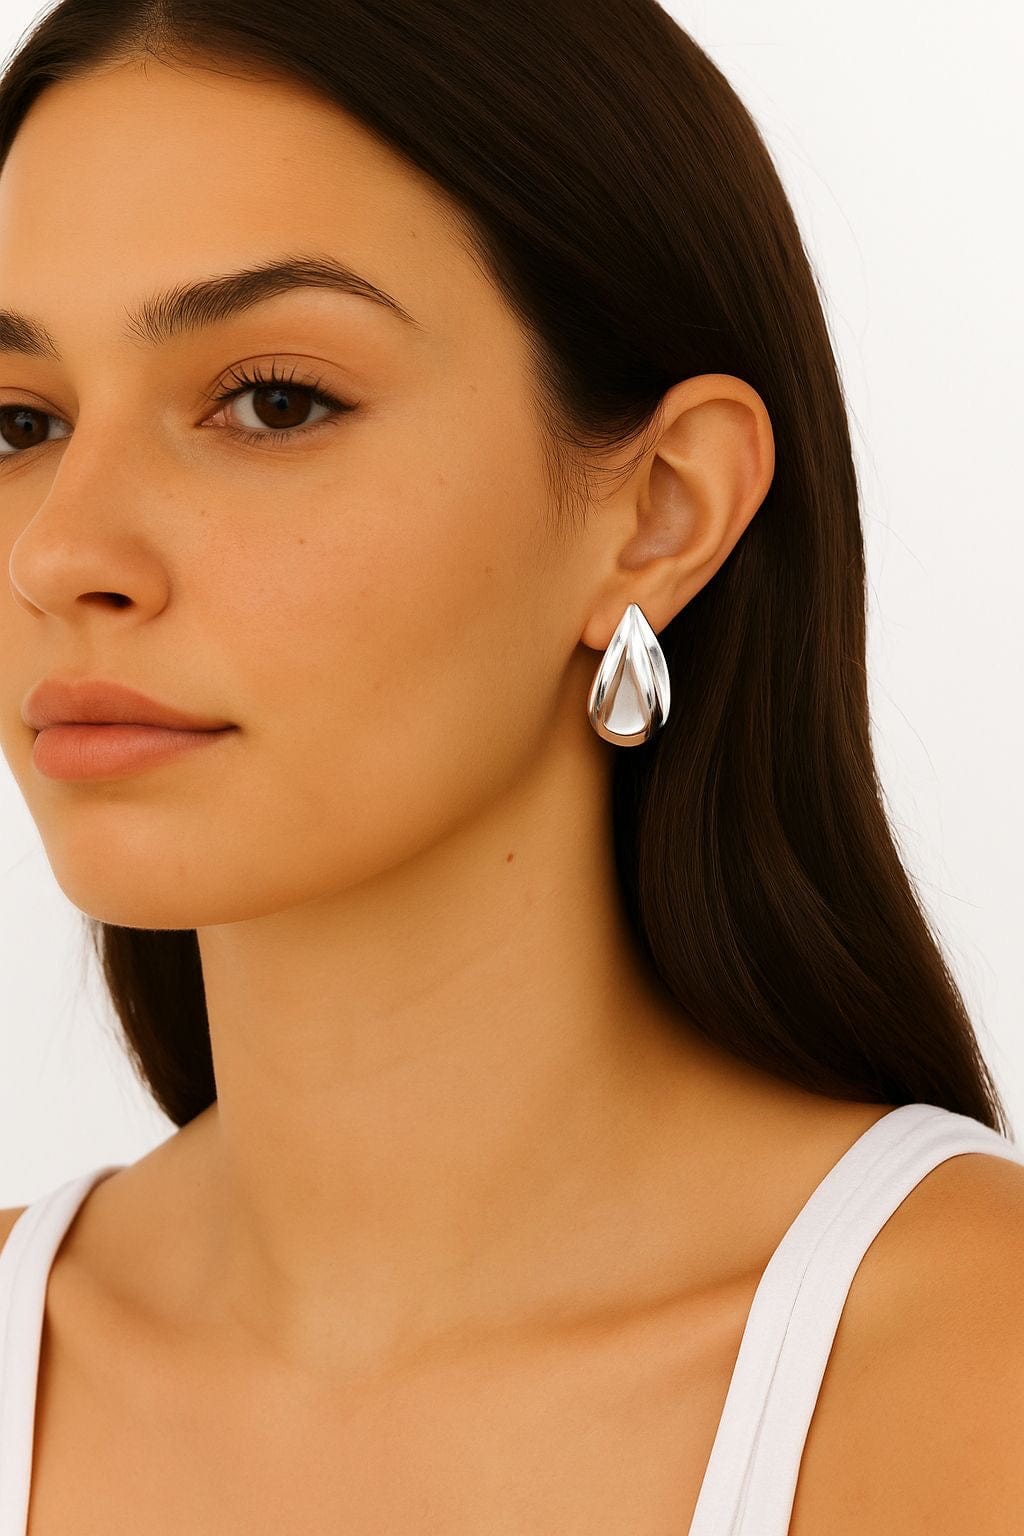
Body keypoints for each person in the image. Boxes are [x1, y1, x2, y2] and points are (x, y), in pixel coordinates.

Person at [0, 4, 1021, 1533]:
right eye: (17, 421)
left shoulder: (975, 1377)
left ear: (662, 510)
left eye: (274, 402)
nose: (61, 551)